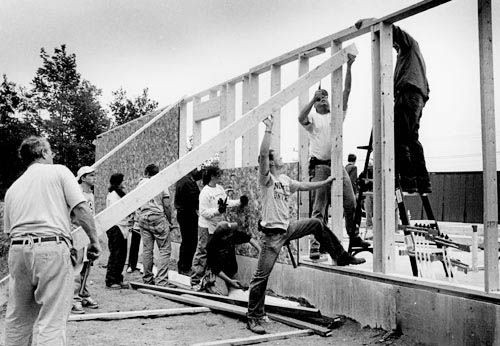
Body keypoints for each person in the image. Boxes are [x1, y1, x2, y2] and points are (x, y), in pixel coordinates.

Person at [246, 116, 365, 334]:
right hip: (272, 237)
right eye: (278, 157)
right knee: (261, 277)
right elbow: (263, 154)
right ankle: (254, 316)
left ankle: (340, 256)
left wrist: (326, 182)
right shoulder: (267, 180)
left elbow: (306, 186)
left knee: (316, 224)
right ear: (271, 163)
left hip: (288, 228)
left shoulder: (285, 181)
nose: (282, 158)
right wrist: (269, 130)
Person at [3, 136, 101, 346]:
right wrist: (94, 241)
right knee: (52, 319)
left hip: (18, 250)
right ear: (44, 153)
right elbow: (81, 209)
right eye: (51, 151)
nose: (53, 155)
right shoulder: (59, 171)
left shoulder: (13, 188)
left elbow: (8, 233)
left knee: (18, 319)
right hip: (50, 246)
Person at [298, 53, 369, 260]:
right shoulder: (312, 119)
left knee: (351, 202)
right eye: (321, 100)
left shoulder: (336, 114)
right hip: (320, 166)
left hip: (337, 165)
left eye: (326, 98)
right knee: (319, 208)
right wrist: (313, 98)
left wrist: (349, 66)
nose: (325, 101)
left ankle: (353, 236)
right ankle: (315, 245)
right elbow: (300, 117)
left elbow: (347, 91)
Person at [355, 20, 431, 194]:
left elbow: (392, 29)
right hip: (415, 97)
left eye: (395, 45)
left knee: (397, 138)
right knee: (412, 139)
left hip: (408, 95)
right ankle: (422, 182)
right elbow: (427, 87)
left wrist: (370, 21)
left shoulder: (410, 46)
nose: (395, 47)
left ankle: (408, 182)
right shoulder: (414, 61)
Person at [190, 165, 246, 289]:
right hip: (206, 227)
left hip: (218, 227)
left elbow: (227, 202)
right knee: (202, 252)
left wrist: (239, 202)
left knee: (215, 253)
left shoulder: (220, 188)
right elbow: (203, 212)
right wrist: (217, 211)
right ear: (212, 176)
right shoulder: (205, 192)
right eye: (218, 175)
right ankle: (195, 280)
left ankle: (212, 278)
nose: (220, 176)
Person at [133, 164, 172, 286]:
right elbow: (166, 205)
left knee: (147, 250)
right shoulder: (161, 183)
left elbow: (136, 201)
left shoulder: (141, 183)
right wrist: (170, 221)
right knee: (165, 249)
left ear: (146, 173)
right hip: (157, 217)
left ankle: (148, 279)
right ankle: (161, 281)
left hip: (143, 217)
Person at [202, 221, 260, 296]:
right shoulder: (212, 246)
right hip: (218, 273)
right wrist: (230, 281)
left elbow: (248, 238)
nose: (233, 232)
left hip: (231, 271)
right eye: (231, 232)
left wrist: (260, 250)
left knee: (241, 289)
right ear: (225, 236)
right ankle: (208, 283)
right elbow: (216, 269)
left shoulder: (232, 235)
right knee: (223, 293)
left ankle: (226, 283)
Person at [71, 166, 99, 314]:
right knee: (77, 266)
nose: (94, 178)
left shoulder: (91, 194)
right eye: (91, 175)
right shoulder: (77, 193)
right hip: (78, 233)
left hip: (88, 234)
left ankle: (83, 293)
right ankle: (73, 298)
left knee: (87, 266)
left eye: (94, 175)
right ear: (83, 178)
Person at [175, 168, 202, 275]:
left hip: (184, 214)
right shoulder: (188, 182)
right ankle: (185, 267)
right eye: (196, 169)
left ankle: (183, 266)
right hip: (188, 215)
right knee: (190, 241)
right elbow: (195, 199)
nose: (197, 172)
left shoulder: (183, 180)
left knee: (187, 241)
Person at [105, 173, 131, 289]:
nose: (124, 184)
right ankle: (111, 280)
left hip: (122, 226)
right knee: (116, 254)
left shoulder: (119, 194)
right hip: (116, 226)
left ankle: (118, 277)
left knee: (122, 255)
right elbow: (117, 211)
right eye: (123, 182)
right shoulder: (113, 195)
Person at [358, 159, 374, 235]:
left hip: (373, 193)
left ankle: (370, 225)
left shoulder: (374, 171)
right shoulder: (365, 172)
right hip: (368, 194)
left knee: (370, 211)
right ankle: (369, 226)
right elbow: (359, 181)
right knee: (368, 211)